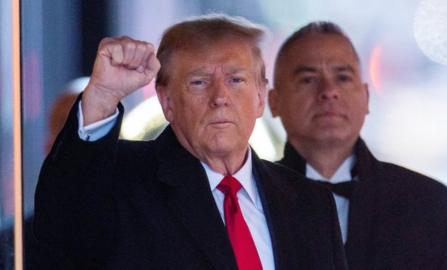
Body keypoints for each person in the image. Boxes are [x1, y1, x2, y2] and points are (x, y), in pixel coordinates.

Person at [34, 15, 346, 269]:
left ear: (261, 96)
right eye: (199, 82)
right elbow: (62, 216)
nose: (220, 97)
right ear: (167, 101)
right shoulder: (123, 179)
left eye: (236, 80)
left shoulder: (310, 203)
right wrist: (102, 95)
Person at [268, 21, 447, 270]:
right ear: (273, 102)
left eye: (343, 78)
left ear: (366, 97)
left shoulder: (433, 207)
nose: (329, 91)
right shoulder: (248, 202)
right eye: (308, 79)